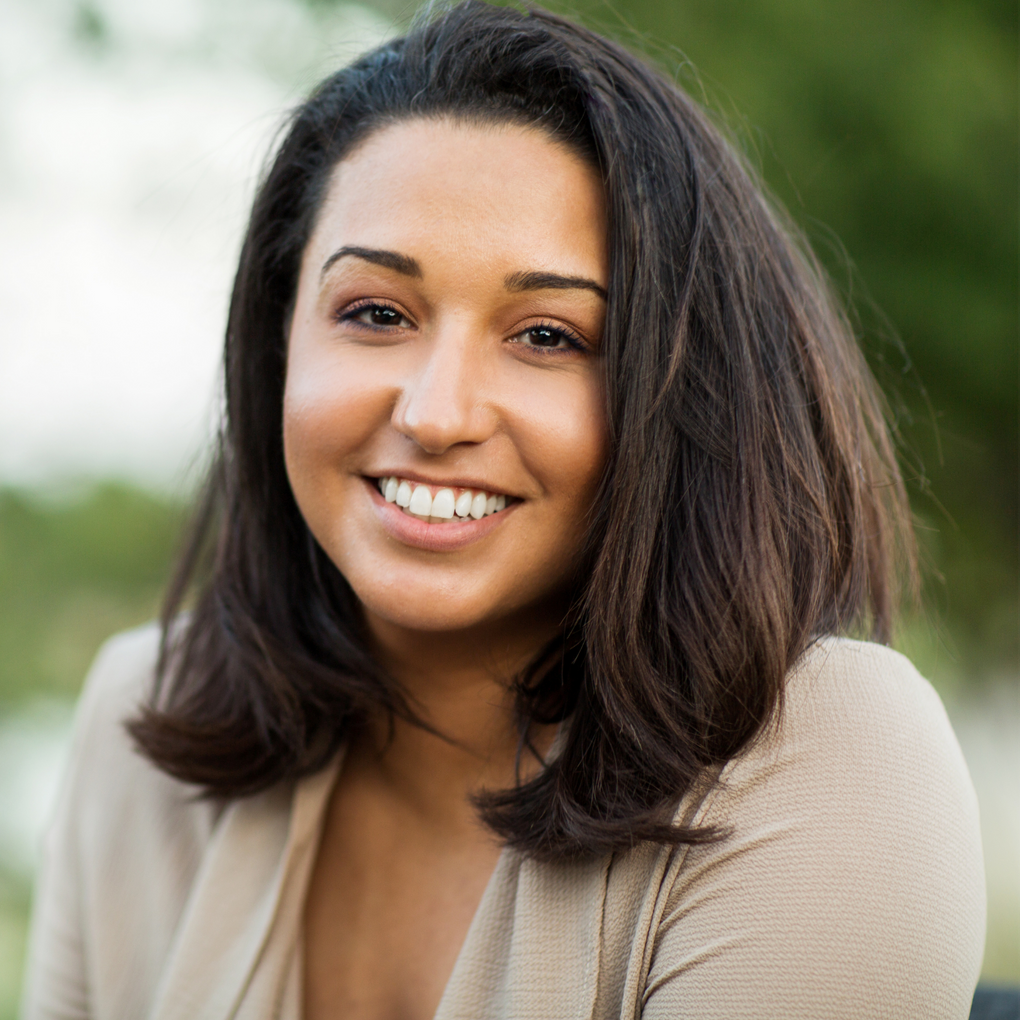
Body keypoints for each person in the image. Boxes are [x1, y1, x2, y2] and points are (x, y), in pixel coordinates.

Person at [22, 3, 985, 1018]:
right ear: (278, 346)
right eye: (376, 313)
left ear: (691, 400)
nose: (436, 414)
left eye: (548, 336)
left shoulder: (823, 752)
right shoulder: (142, 723)